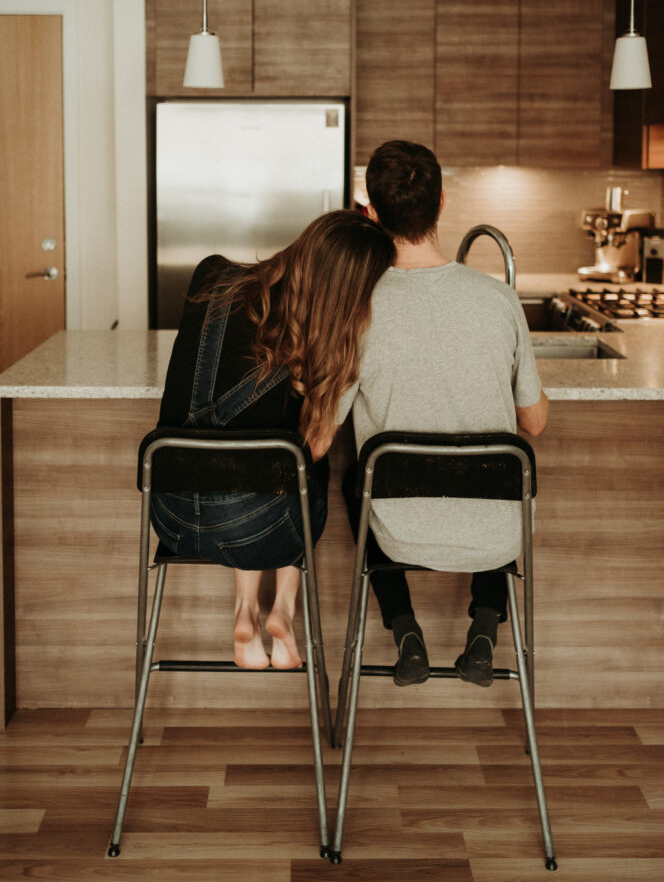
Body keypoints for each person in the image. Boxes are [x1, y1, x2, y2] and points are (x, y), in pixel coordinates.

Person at [336, 140, 549, 687]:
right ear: (442, 203)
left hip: (396, 537)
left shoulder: (356, 305)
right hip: (498, 538)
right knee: (500, 468)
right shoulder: (500, 299)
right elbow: (535, 424)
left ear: (372, 213)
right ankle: (484, 623)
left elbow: (321, 432)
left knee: (350, 474)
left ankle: (405, 628)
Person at [152, 210, 394, 671]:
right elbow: (316, 450)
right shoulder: (331, 346)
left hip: (171, 517)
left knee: (257, 464)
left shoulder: (213, 273)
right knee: (302, 463)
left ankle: (245, 610)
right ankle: (282, 608)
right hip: (257, 529)